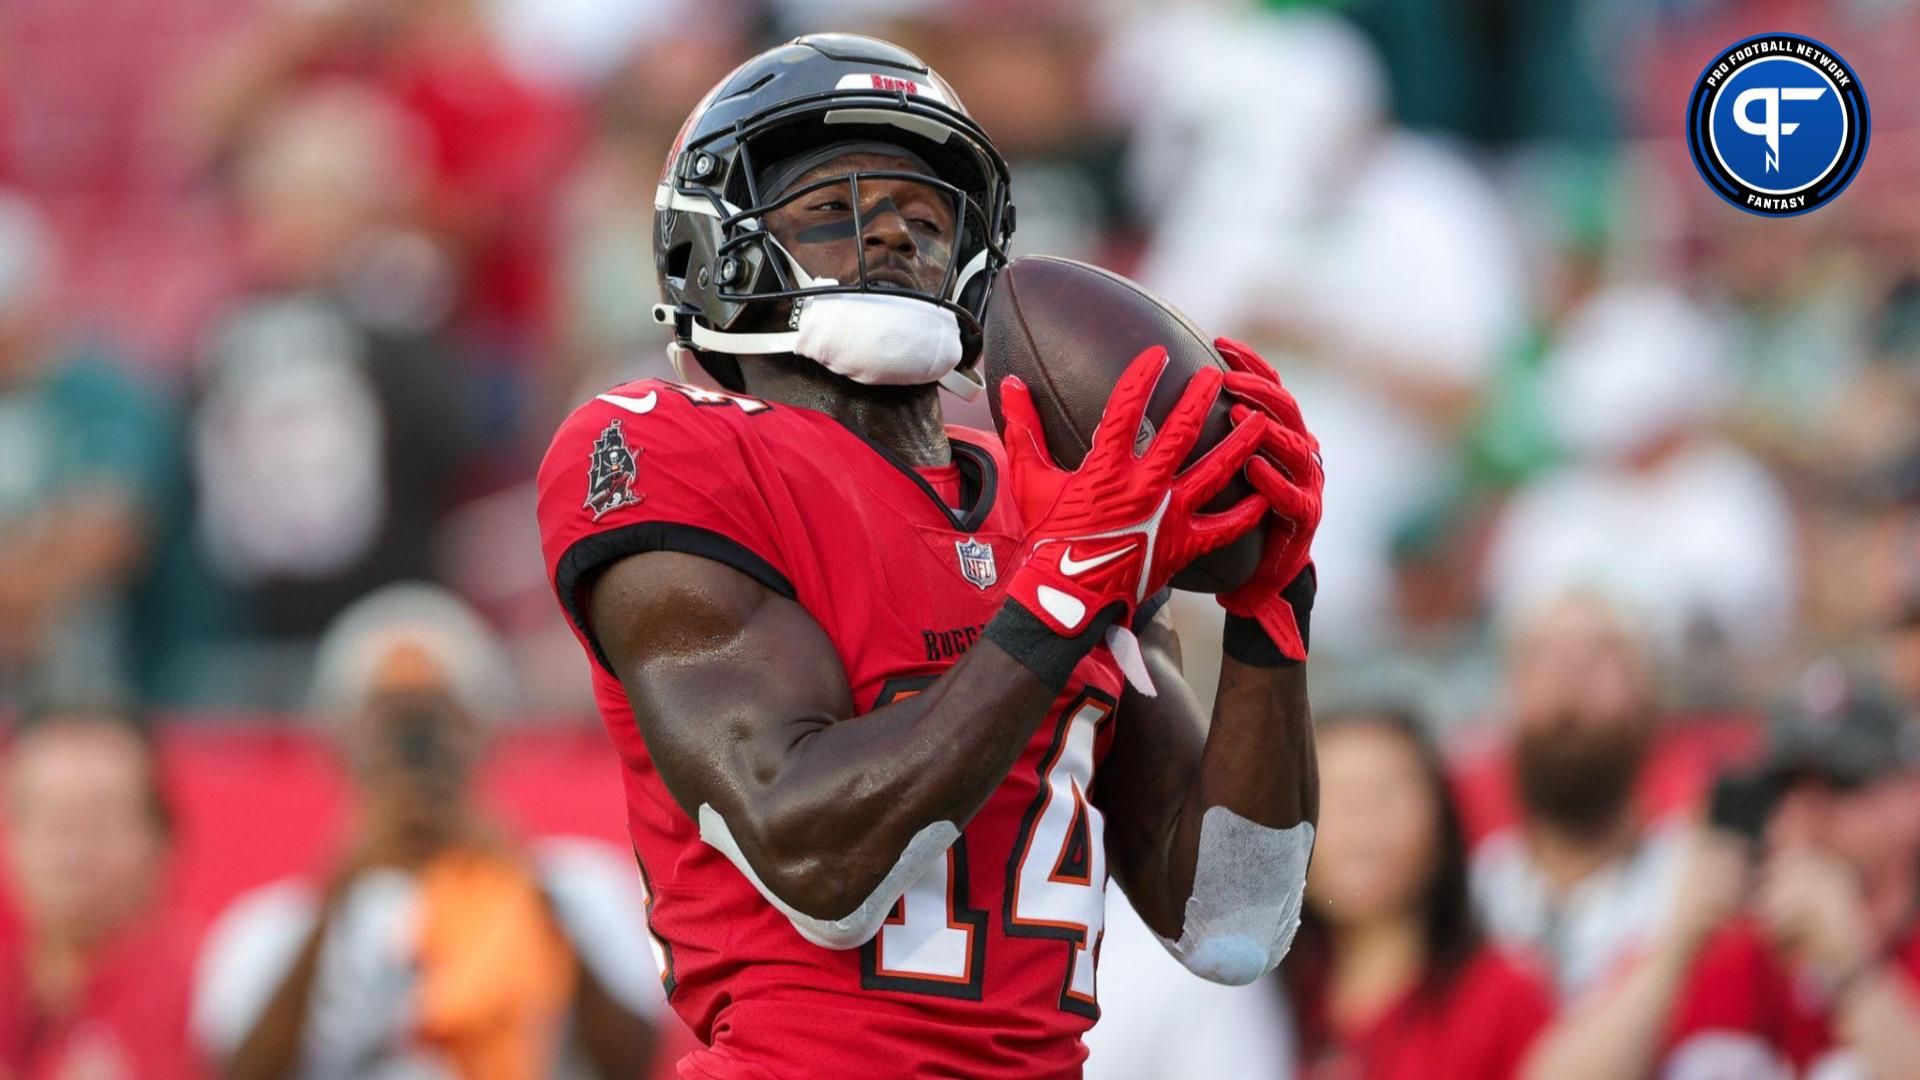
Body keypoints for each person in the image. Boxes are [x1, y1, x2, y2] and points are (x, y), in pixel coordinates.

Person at [533, 33, 1325, 1078]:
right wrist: (1061, 590)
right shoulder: (671, 445)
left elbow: (1232, 918)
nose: (896, 232)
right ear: (711, 249)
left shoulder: (1052, 488)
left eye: (926, 211)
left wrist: (1272, 610)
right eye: (830, 210)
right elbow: (819, 861)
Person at [193, 584, 670, 1079]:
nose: (414, 746)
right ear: (339, 742)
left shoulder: (579, 885)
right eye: (387, 722)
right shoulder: (272, 925)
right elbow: (242, 1071)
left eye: (439, 717)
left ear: (485, 731)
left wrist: (522, 878)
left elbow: (631, 1061)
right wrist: (338, 896)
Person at [1533, 667, 1920, 1080]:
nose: (1807, 814)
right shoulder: (1730, 950)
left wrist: (1855, 976)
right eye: (1785, 789)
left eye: (1842, 787)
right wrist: (1673, 952)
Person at [1286, 707, 1555, 1080]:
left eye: (1387, 794)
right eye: (1331, 796)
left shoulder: (1503, 995)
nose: (1361, 822)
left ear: (1443, 823)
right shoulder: (1268, 999)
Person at [1469, 592, 1684, 997]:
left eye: (1600, 658)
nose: (1570, 679)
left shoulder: (1694, 887)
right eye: (1543, 660)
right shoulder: (1469, 898)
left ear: (1649, 701)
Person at [0, 704, 204, 1078]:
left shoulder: (212, 1000)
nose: (73, 845)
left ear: (163, 839)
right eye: (49, 818)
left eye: (101, 817)